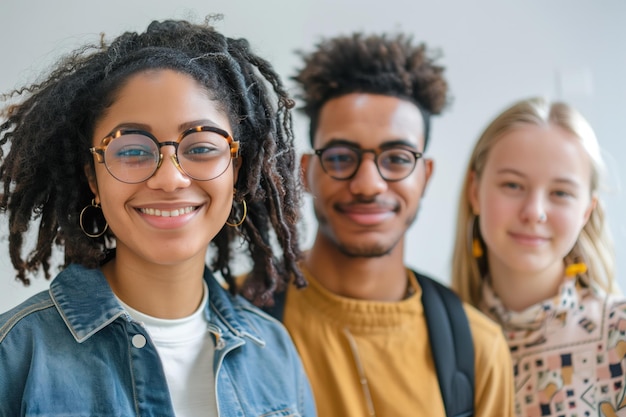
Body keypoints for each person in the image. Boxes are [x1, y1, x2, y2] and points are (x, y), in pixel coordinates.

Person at [0, 19, 315, 417]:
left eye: (201, 147)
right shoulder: (14, 354)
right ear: (93, 180)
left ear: (237, 171)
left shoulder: (274, 352)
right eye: (132, 150)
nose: (170, 179)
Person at [271, 32, 514, 417]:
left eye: (397, 158)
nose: (368, 184)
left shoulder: (477, 348)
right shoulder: (236, 317)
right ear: (306, 172)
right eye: (339, 157)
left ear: (426, 175)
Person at [451, 97, 626, 416]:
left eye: (561, 193)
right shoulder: (438, 340)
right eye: (513, 185)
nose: (534, 212)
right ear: (474, 192)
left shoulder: (621, 336)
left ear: (586, 211)